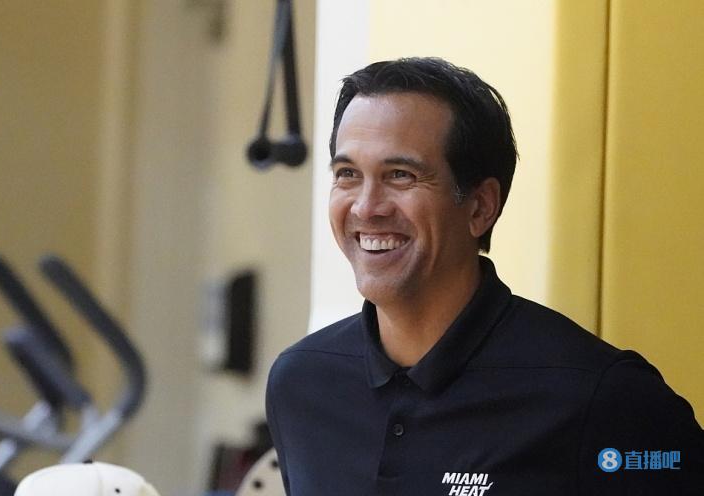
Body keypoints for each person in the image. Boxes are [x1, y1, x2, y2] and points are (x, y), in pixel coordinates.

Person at [265, 57, 703, 495]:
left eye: (400, 175)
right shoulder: (301, 383)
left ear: (480, 207)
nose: (366, 207)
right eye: (348, 175)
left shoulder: (603, 397)